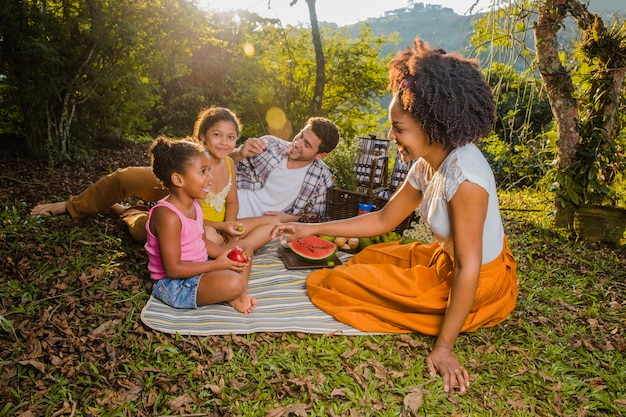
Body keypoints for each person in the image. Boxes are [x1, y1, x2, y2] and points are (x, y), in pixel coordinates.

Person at [271, 38, 518, 394]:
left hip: (475, 282)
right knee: (369, 256)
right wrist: (308, 228)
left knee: (340, 284)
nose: (391, 136)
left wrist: (444, 348)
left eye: (399, 129)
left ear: (433, 126)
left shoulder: (467, 181)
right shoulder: (427, 162)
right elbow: (384, 220)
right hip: (444, 261)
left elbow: (469, 267)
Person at [30, 110, 340, 245]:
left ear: (321, 154)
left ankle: (131, 213)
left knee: (164, 226)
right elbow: (221, 156)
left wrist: (294, 215)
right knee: (125, 178)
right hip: (200, 181)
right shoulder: (272, 144)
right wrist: (240, 152)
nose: (296, 144)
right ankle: (70, 206)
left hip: (228, 215)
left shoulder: (322, 178)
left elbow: (322, 215)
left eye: (307, 145)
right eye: (300, 135)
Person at [145, 136, 256, 313]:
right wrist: (216, 265)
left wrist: (225, 256)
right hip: (176, 283)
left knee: (244, 246)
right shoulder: (168, 216)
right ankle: (235, 294)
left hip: (200, 265)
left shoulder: (194, 204)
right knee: (236, 283)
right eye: (203, 172)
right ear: (178, 180)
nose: (210, 178)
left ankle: (232, 292)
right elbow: (173, 269)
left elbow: (202, 241)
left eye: (209, 171)